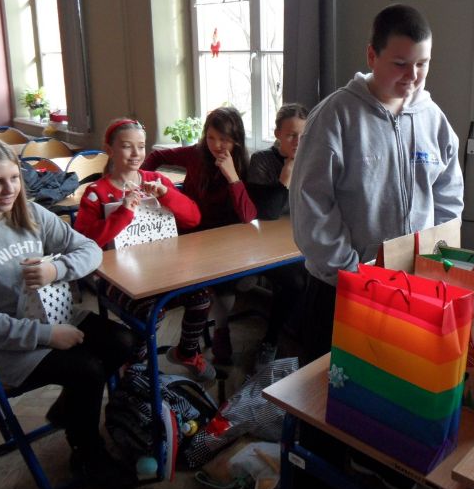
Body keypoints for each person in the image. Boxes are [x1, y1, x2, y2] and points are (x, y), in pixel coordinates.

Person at [289, 4, 464, 489]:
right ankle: (315, 485)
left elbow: (449, 196)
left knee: (388, 395)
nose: (413, 76)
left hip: (408, 291)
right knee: (324, 404)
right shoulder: (335, 116)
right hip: (341, 290)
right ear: (372, 56)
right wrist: (351, 272)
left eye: (422, 64)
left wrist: (434, 259)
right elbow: (311, 207)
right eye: (400, 63)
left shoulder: (431, 118)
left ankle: (375, 466)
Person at [0, 137, 137, 489]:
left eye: (14, 178)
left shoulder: (30, 213)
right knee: (86, 369)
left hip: (44, 314)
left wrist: (57, 269)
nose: (10, 190)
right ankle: (87, 453)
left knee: (123, 341)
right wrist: (47, 336)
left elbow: (89, 249)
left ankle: (69, 411)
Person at [73, 118, 215, 381]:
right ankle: (134, 362)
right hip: (118, 279)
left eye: (141, 146)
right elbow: (84, 242)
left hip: (164, 269)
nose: (136, 153)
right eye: (127, 146)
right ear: (109, 149)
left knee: (201, 298)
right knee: (152, 312)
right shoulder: (96, 192)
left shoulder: (157, 180)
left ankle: (186, 352)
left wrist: (166, 194)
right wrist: (123, 213)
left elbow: (193, 218)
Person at [142, 107, 257, 364]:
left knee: (226, 282)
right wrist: (143, 181)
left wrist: (232, 177)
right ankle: (196, 336)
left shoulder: (242, 163)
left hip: (225, 239)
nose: (216, 145)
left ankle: (221, 329)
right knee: (202, 284)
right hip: (192, 233)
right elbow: (157, 155)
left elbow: (248, 215)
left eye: (224, 139)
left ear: (236, 139)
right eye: (211, 137)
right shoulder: (196, 154)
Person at [246, 104, 309, 370]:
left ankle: (305, 336)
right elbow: (267, 213)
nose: (298, 142)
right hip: (261, 243)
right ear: (277, 134)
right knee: (295, 281)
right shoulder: (261, 161)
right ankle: (270, 340)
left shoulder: (311, 159)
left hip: (295, 238)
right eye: (291, 135)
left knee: (321, 274)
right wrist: (285, 178)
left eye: (303, 136)